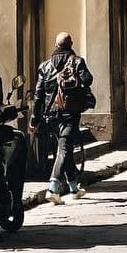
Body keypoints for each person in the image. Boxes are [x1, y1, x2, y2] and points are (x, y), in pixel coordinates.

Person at [30, 31, 94, 205]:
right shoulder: (77, 61)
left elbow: (38, 94)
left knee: (63, 148)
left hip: (51, 113)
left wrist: (35, 117)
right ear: (71, 43)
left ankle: (73, 187)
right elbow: (88, 80)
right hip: (70, 112)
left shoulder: (44, 66)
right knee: (64, 150)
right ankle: (53, 187)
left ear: (56, 44)